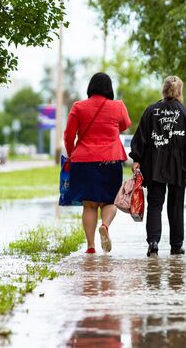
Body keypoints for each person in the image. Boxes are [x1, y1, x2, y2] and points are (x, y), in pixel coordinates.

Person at [130, 75, 186, 257]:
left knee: (155, 204)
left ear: (163, 90)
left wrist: (136, 159)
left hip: (155, 165)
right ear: (180, 91)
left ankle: (154, 243)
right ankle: (176, 245)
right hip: (179, 166)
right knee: (176, 205)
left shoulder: (151, 111)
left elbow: (141, 137)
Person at [64, 72, 132, 254]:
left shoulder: (79, 107)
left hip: (84, 160)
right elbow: (125, 125)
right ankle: (105, 225)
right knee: (110, 201)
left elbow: (69, 135)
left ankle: (91, 246)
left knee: (90, 204)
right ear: (109, 88)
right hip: (110, 159)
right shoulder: (118, 106)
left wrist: (72, 154)